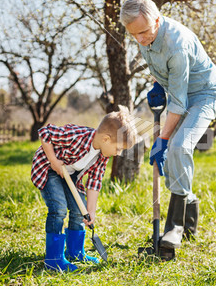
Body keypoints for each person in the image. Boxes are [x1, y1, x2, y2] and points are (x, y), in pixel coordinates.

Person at [120, 0, 216, 249]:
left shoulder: (177, 44)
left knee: (178, 147)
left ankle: (174, 227)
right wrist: (158, 83)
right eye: (134, 35)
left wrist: (163, 138)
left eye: (144, 32)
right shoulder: (145, 34)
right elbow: (162, 70)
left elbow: (178, 102)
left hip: (203, 95)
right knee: (173, 160)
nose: (141, 40)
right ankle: (187, 226)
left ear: (157, 19)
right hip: (181, 92)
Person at [31, 109, 137, 272]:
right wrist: (53, 160)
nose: (119, 153)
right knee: (58, 209)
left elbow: (95, 182)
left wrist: (91, 210)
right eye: (118, 149)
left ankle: (75, 252)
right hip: (49, 168)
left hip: (70, 174)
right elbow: (45, 133)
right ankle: (53, 259)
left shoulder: (102, 156)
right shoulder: (76, 135)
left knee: (78, 210)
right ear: (106, 139)